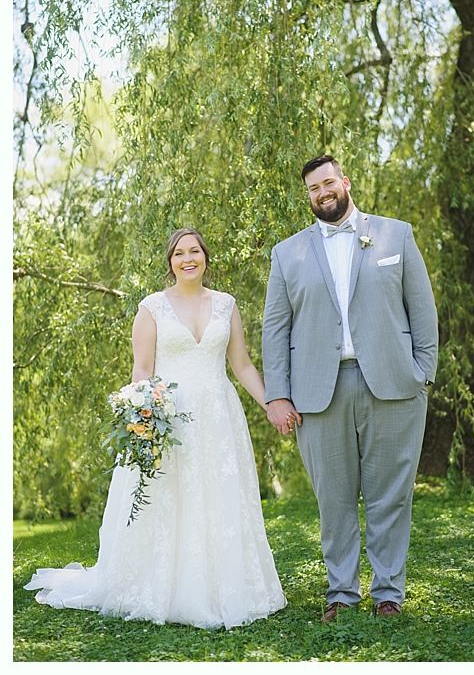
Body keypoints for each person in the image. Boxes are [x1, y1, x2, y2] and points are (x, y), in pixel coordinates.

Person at [24, 228, 286, 629]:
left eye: (194, 251)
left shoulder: (226, 306)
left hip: (218, 416)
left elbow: (242, 365)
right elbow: (142, 370)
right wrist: (143, 418)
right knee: (170, 501)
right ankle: (162, 586)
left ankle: (224, 586)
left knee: (218, 498)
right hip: (169, 417)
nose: (187, 258)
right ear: (170, 262)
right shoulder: (152, 308)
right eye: (179, 253)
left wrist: (271, 403)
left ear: (205, 257)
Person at [262, 155, 438, 622]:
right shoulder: (287, 254)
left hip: (394, 386)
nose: (322, 193)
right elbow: (275, 330)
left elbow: (421, 308)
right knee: (334, 498)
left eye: (327, 182)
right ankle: (340, 593)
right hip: (318, 392)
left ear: (345, 182)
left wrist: (423, 372)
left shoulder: (395, 234)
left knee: (390, 495)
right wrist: (277, 394)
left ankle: (388, 594)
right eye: (312, 189)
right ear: (309, 197)